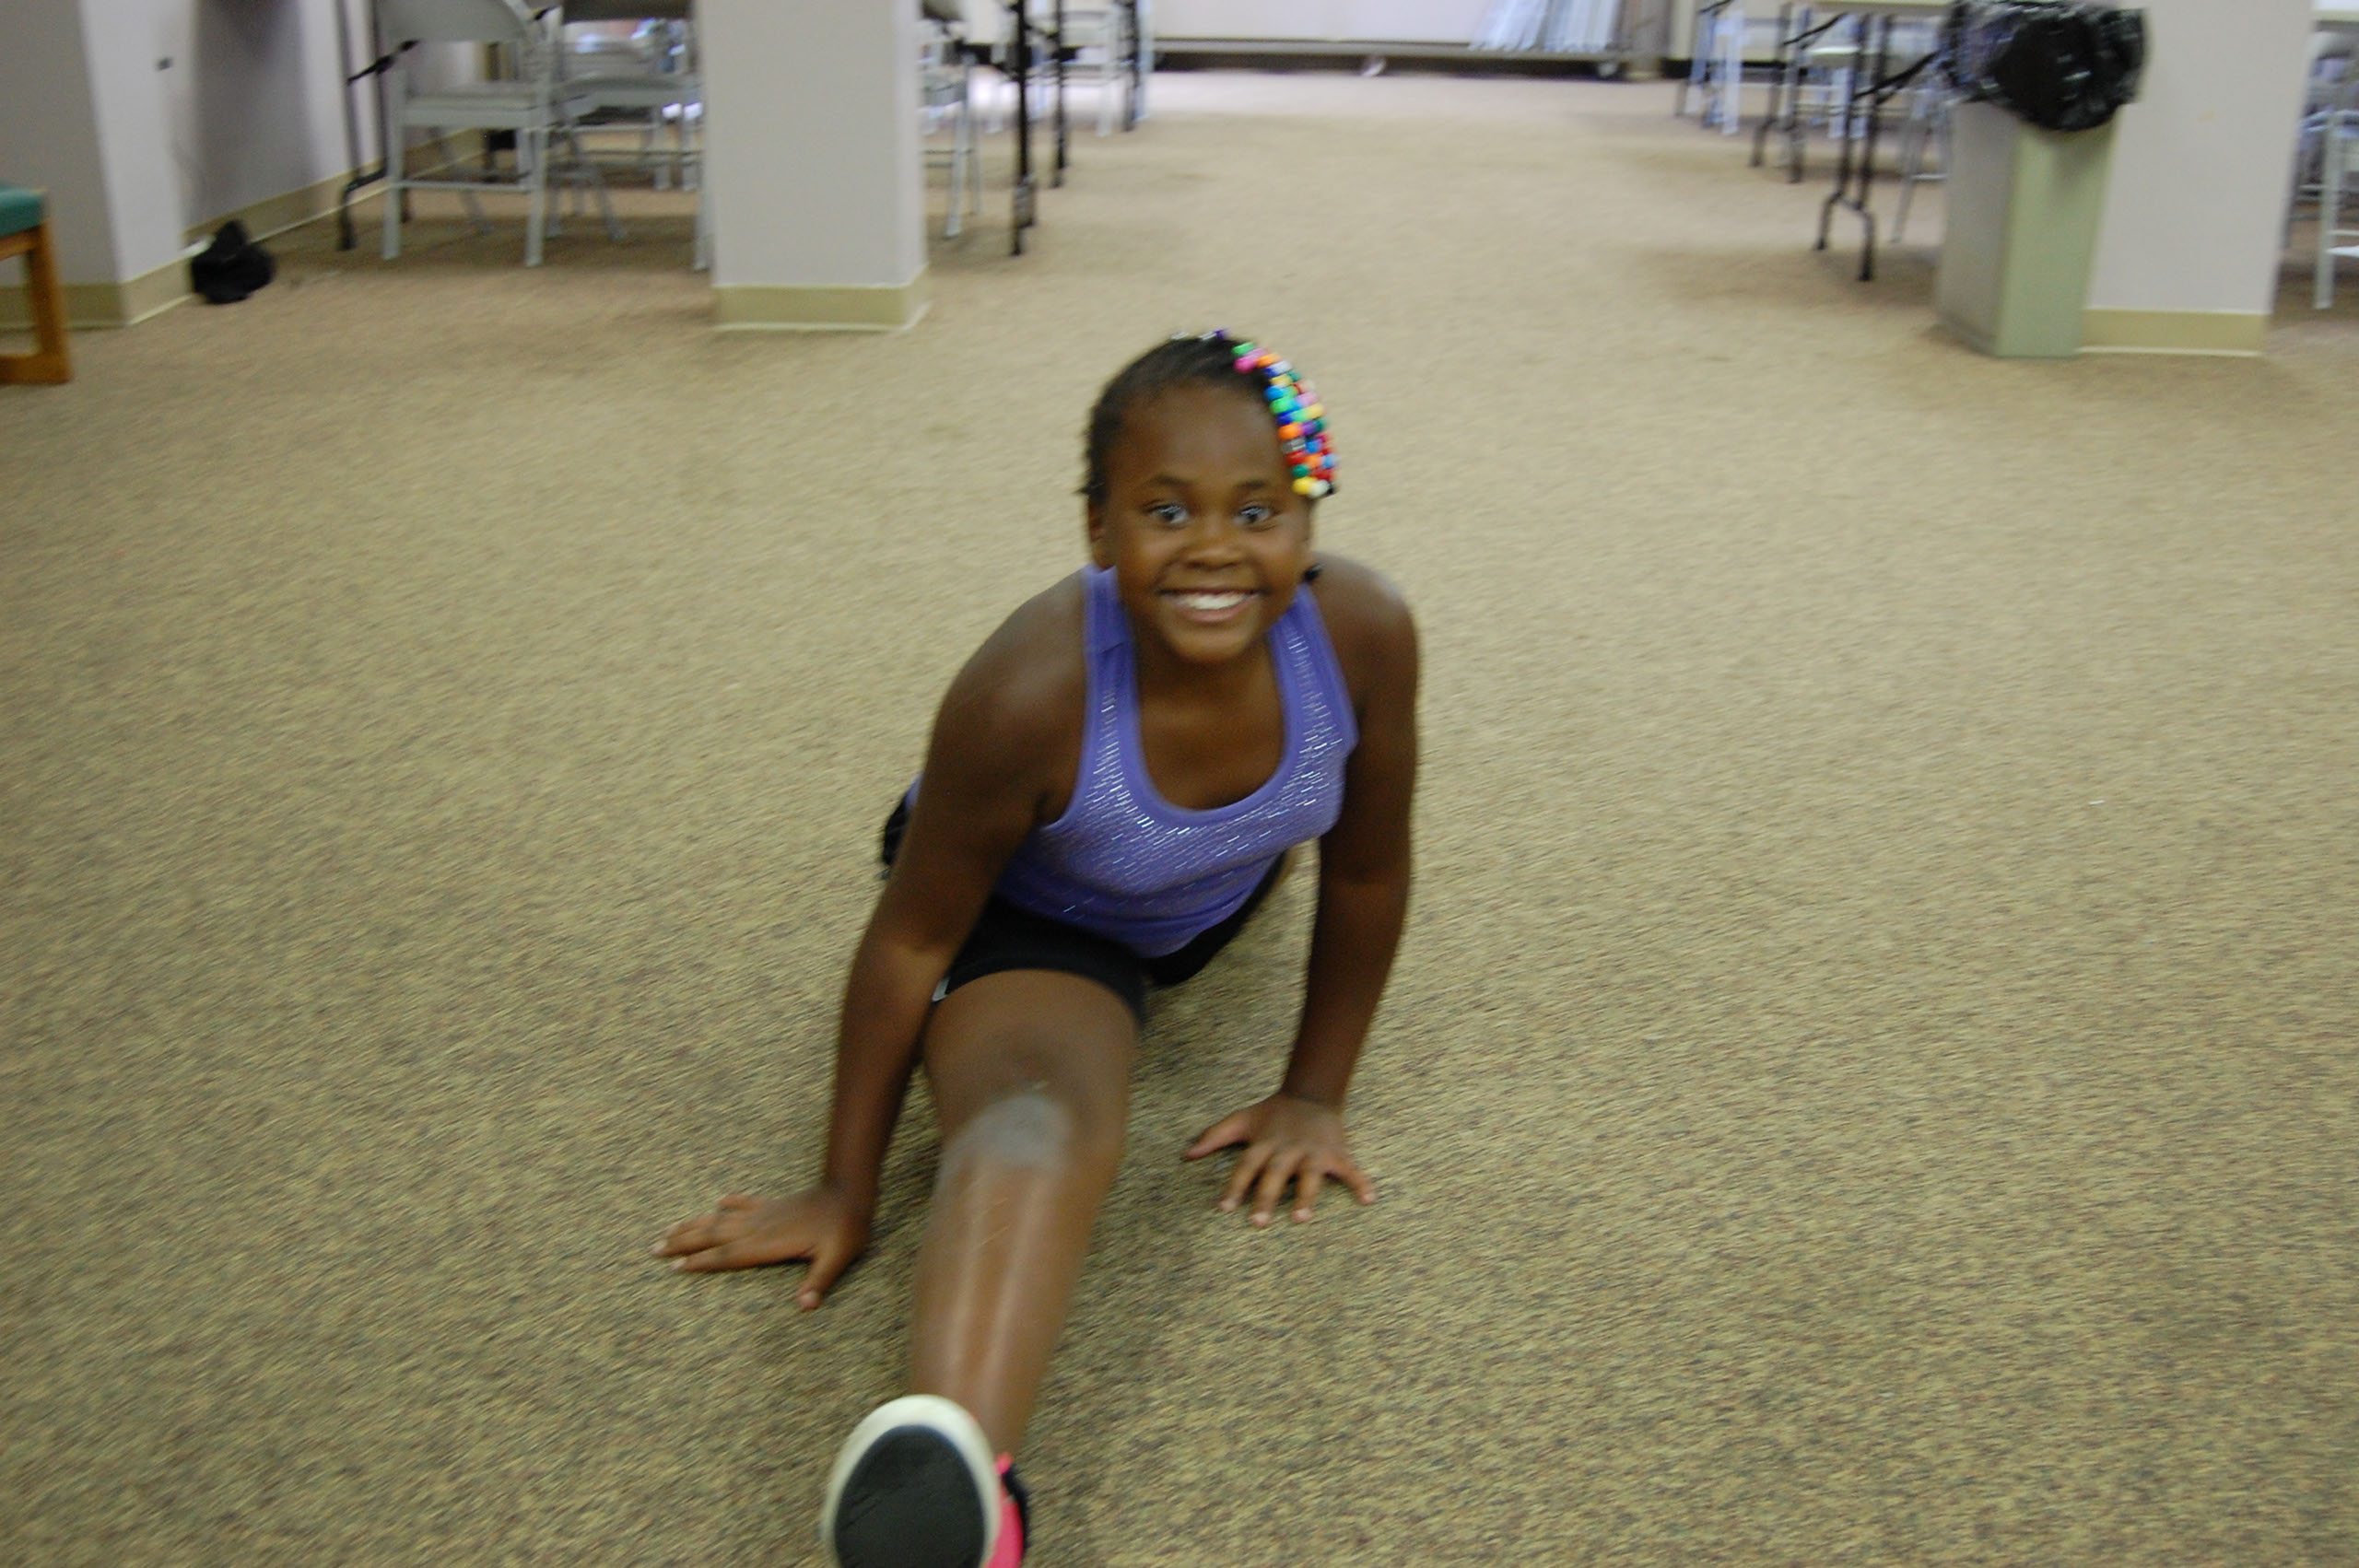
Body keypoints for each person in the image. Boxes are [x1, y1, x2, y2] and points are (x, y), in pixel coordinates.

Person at [652, 331, 1419, 1568]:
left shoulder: (1364, 634)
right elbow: (910, 940)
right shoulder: (1027, 692)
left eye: (1258, 510)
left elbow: (1369, 867)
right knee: (1035, 1125)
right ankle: (965, 1484)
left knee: (1200, 927)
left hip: (1213, 888)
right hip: (1035, 912)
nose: (1215, 547)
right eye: (1165, 510)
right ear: (1097, 529)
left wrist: (1314, 1092)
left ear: (1307, 522)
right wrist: (844, 1187)